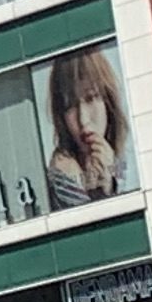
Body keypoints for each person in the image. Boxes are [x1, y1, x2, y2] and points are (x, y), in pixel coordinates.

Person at [46, 47, 128, 208]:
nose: (83, 119)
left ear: (107, 102)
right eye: (70, 105)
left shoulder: (124, 165)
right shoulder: (60, 175)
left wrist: (108, 186)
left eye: (91, 98)